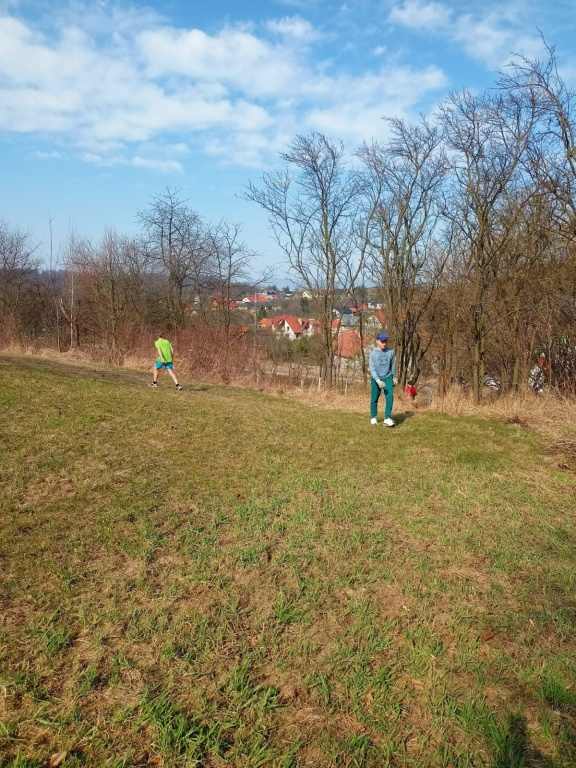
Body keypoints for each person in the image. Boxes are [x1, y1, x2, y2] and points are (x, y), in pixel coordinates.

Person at [369, 331, 396, 427]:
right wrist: (377, 380)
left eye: (385, 341)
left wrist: (394, 376)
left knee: (390, 397)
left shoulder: (391, 352)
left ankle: (387, 418)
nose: (384, 343)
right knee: (374, 398)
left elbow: (393, 365)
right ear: (377, 341)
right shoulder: (373, 354)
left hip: (387, 377)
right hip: (376, 378)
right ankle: (373, 417)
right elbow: (372, 368)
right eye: (382, 341)